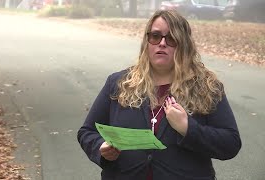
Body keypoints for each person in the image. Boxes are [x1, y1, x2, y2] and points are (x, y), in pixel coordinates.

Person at [77, 10, 241, 180]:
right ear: (146, 42)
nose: (162, 43)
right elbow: (87, 131)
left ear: (184, 44)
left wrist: (188, 129)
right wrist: (101, 147)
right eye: (155, 36)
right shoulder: (118, 83)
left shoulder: (207, 87)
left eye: (171, 38)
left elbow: (230, 143)